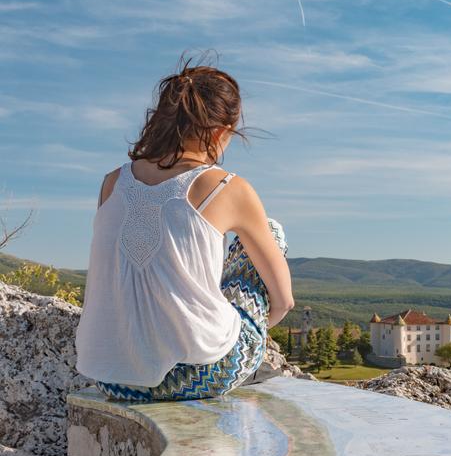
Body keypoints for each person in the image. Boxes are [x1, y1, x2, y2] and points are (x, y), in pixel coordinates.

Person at [74, 56, 294, 401]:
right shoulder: (227, 187)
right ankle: (240, 360)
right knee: (270, 230)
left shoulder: (112, 182)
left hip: (113, 378)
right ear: (221, 131)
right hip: (201, 375)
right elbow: (283, 301)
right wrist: (247, 331)